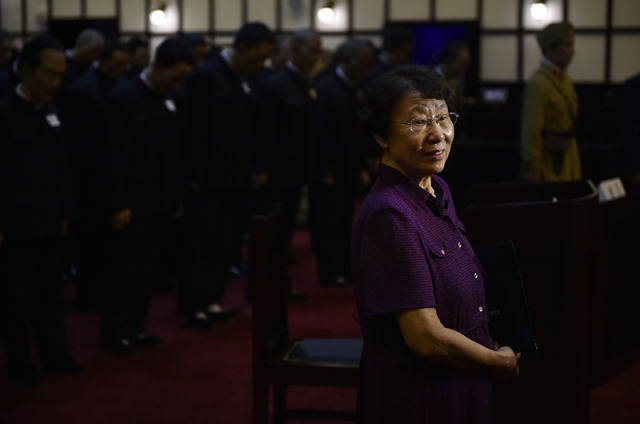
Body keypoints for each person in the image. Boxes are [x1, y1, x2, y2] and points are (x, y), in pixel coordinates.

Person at [352, 65, 521, 423]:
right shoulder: (390, 214)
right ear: (381, 135)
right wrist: (497, 361)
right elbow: (426, 339)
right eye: (418, 122)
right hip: (421, 396)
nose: (438, 135)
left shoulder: (437, 189)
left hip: (463, 378)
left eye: (443, 118)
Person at [100, 37, 194, 354]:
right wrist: (118, 203)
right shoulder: (124, 96)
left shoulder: (168, 99)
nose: (177, 84)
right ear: (157, 66)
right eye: (174, 76)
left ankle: (135, 328)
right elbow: (113, 155)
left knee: (146, 270)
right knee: (123, 270)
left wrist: (175, 197)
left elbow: (174, 152)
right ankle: (115, 333)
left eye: (182, 79)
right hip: (131, 202)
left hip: (159, 201)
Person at [180, 22, 275, 328]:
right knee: (202, 243)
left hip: (237, 176)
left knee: (225, 242)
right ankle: (193, 305)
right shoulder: (207, 75)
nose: (261, 64)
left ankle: (212, 300)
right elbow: (193, 128)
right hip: (208, 178)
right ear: (242, 47)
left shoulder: (247, 78)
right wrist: (194, 173)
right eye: (258, 57)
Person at [0, 35, 82, 384]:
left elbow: (62, 167)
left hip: (49, 221)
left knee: (50, 294)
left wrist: (64, 213)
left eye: (60, 76)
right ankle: (20, 364)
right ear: (25, 70)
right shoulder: (4, 113)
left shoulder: (52, 110)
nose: (55, 83)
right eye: (49, 74)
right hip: (14, 225)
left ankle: (55, 355)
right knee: (15, 298)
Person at [253, 29, 323, 299]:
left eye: (318, 51)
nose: (316, 56)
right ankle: (264, 288)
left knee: (285, 234)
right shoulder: (275, 84)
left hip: (296, 171)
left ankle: (279, 286)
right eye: (312, 50)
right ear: (295, 49)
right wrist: (261, 168)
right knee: (271, 234)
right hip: (275, 173)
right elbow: (263, 130)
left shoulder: (306, 82)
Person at [66, 40, 130, 311]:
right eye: (116, 64)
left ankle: (102, 292)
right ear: (102, 61)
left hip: (110, 170)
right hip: (89, 176)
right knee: (91, 242)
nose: (120, 70)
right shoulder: (84, 89)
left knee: (107, 243)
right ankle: (88, 296)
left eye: (124, 65)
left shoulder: (118, 85)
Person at [310, 39, 374, 287]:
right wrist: (324, 169)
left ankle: (343, 268)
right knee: (328, 222)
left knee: (345, 220)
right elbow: (318, 134)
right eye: (362, 62)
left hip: (350, 166)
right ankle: (329, 271)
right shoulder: (326, 87)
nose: (365, 68)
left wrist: (361, 165)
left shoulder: (357, 88)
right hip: (329, 169)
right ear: (347, 61)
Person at [520, 22, 581, 182]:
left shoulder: (566, 80)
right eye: (568, 45)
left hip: (568, 157)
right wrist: (532, 168)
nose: (572, 51)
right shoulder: (539, 83)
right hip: (548, 164)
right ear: (551, 48)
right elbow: (531, 131)